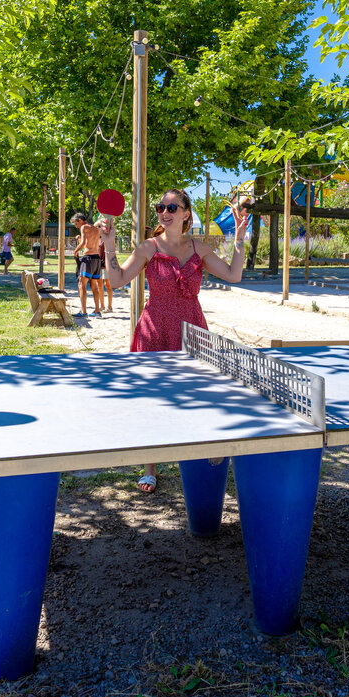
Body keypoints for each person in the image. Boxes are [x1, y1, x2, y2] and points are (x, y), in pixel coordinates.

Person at [100, 189, 250, 492]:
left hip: (192, 330)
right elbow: (116, 281)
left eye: (171, 207)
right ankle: (150, 467)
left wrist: (239, 239)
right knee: (152, 398)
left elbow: (234, 275)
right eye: (160, 207)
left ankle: (194, 459)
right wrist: (108, 247)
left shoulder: (200, 248)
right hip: (154, 329)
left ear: (185, 214)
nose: (164, 212)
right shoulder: (147, 247)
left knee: (197, 395)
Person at [70, 212, 104, 318]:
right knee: (94, 286)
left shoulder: (84, 227)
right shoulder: (95, 229)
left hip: (88, 259)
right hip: (96, 259)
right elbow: (92, 242)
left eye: (76, 223)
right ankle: (97, 311)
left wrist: (75, 251)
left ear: (80, 220)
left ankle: (83, 312)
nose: (76, 226)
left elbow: (84, 243)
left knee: (81, 285)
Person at [95, 218, 113, 312]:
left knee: (107, 285)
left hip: (106, 264)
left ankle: (109, 307)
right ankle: (102, 306)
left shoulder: (106, 238)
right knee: (99, 285)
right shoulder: (95, 239)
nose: (98, 228)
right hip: (97, 264)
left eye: (99, 226)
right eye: (97, 226)